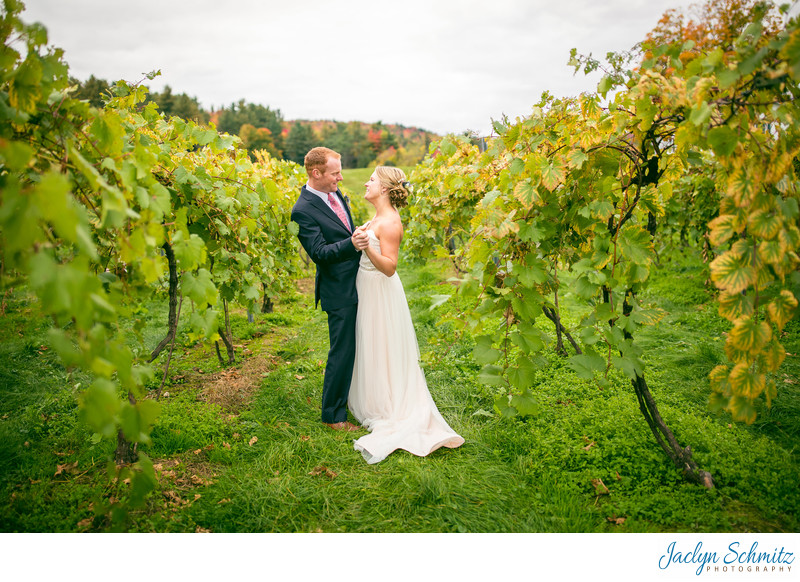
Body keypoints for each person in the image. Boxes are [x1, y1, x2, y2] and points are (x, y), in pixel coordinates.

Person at [348, 166, 465, 463]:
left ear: (385, 188)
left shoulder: (389, 223)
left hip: (379, 288)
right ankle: (372, 397)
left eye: (371, 180)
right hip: (367, 286)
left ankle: (388, 405)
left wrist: (365, 246)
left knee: (381, 343)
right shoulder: (377, 217)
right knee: (370, 342)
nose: (366, 182)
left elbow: (389, 267)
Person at [291, 147, 369, 431]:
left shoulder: (334, 193)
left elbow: (342, 231)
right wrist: (352, 244)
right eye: (335, 173)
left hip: (359, 280)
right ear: (316, 173)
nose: (341, 177)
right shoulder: (302, 210)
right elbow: (320, 252)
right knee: (343, 350)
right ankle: (333, 416)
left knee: (361, 344)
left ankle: (356, 400)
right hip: (338, 289)